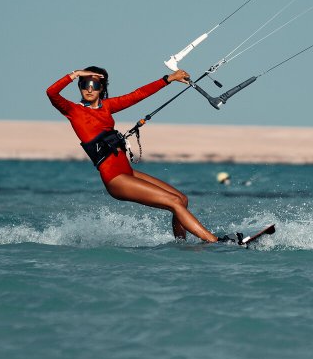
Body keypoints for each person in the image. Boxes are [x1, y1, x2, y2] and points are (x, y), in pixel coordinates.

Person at [47, 66, 219, 242]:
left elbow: (137, 95)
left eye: (95, 85)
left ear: (102, 88)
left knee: (181, 199)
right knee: (174, 202)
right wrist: (75, 74)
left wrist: (169, 78)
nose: (90, 89)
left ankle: (181, 244)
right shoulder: (73, 111)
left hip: (128, 172)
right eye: (85, 84)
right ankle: (215, 242)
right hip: (115, 178)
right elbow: (51, 92)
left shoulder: (107, 107)